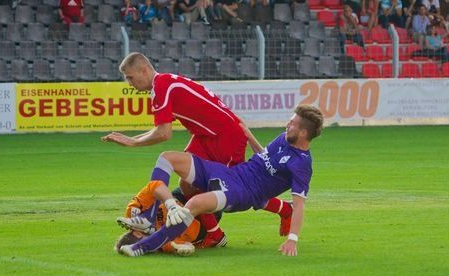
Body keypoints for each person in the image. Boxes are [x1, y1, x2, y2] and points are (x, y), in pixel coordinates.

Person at [104, 53, 295, 247]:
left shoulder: (162, 86)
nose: (129, 83)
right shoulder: (163, 83)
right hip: (206, 137)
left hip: (225, 137)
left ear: (144, 70)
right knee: (187, 184)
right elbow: (162, 128)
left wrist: (133, 142)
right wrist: (132, 139)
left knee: (239, 190)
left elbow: (164, 133)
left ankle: (286, 210)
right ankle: (214, 234)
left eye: (130, 77)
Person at [116, 104, 324, 257]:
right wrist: (248, 135)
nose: (287, 124)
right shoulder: (284, 138)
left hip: (242, 193)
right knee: (167, 158)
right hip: (231, 174)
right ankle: (149, 217)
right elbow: (265, 157)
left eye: (292, 124)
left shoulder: (302, 164)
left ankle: (143, 246)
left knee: (194, 204)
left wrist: (292, 239)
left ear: (303, 132)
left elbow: (299, 205)